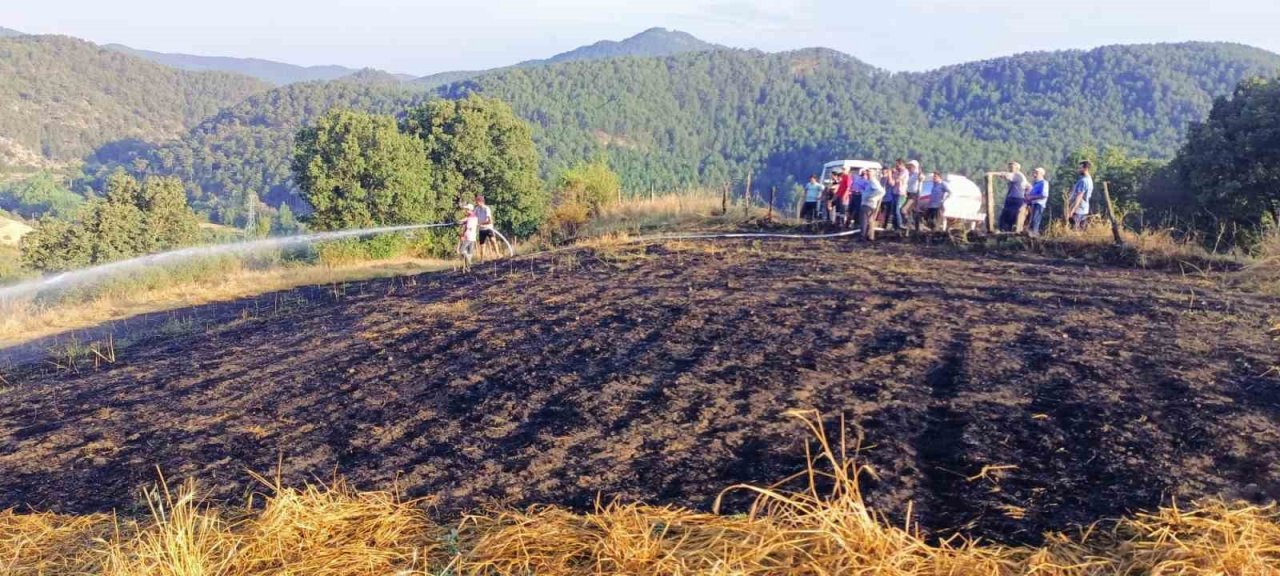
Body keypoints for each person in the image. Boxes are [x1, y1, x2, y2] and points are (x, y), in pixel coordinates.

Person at [995, 162, 1028, 233]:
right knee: (1008, 214)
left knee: (1009, 214)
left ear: (1017, 168)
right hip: (1015, 198)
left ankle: (1006, 230)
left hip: (1015, 198)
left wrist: (993, 174)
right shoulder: (1021, 176)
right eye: (1009, 167)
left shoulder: (1018, 175)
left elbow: (1006, 175)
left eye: (1011, 167)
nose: (1010, 169)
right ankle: (1006, 229)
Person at [861, 169, 886, 241]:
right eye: (867, 172)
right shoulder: (870, 181)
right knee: (870, 220)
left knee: (864, 220)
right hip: (869, 203)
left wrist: (871, 197)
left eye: (869, 172)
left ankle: (863, 236)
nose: (868, 174)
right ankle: (871, 236)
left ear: (873, 174)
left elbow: (881, 191)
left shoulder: (873, 181)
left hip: (868, 203)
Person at [1068, 160, 1094, 230]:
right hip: (1085, 209)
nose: (1078, 170)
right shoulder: (1089, 180)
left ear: (1085, 169)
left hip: (1078, 210)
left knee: (1075, 229)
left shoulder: (1083, 181)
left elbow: (1079, 196)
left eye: (1080, 168)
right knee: (1081, 230)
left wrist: (1073, 209)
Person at [1026, 167, 1049, 236]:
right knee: (1031, 220)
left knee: (1035, 220)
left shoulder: (1044, 183)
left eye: (1037, 173)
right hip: (1033, 204)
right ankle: (1030, 234)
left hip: (1039, 204)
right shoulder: (1035, 184)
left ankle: (1034, 234)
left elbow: (1044, 195)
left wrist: (1031, 197)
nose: (1034, 174)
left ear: (1042, 174)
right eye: (1034, 172)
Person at [473, 194, 498, 259]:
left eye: (477, 202)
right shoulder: (477, 209)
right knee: (482, 245)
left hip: (488, 228)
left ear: (481, 201)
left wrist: (480, 223)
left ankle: (498, 255)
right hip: (481, 229)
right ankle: (482, 260)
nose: (476, 203)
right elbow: (472, 216)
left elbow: (489, 221)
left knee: (493, 240)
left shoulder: (487, 208)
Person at [457, 203, 479, 271]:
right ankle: (468, 268)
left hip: (469, 237)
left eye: (466, 209)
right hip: (473, 237)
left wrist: (462, 235)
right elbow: (464, 221)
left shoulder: (470, 218)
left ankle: (469, 263)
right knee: (470, 252)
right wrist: (461, 222)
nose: (465, 211)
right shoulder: (474, 217)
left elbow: (465, 224)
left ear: (469, 210)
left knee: (461, 250)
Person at [904, 160, 924, 231]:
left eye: (911, 166)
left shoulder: (917, 173)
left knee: (904, 210)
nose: (909, 168)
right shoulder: (910, 174)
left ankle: (911, 223)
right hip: (909, 194)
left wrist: (920, 177)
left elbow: (921, 178)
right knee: (909, 211)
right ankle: (910, 224)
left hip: (914, 194)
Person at [880, 164, 899, 230]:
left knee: (888, 213)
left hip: (889, 198)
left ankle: (886, 226)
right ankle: (881, 224)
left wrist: (889, 175)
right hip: (882, 198)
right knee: (882, 212)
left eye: (885, 170)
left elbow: (892, 184)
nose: (883, 171)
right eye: (883, 170)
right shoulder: (882, 179)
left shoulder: (890, 178)